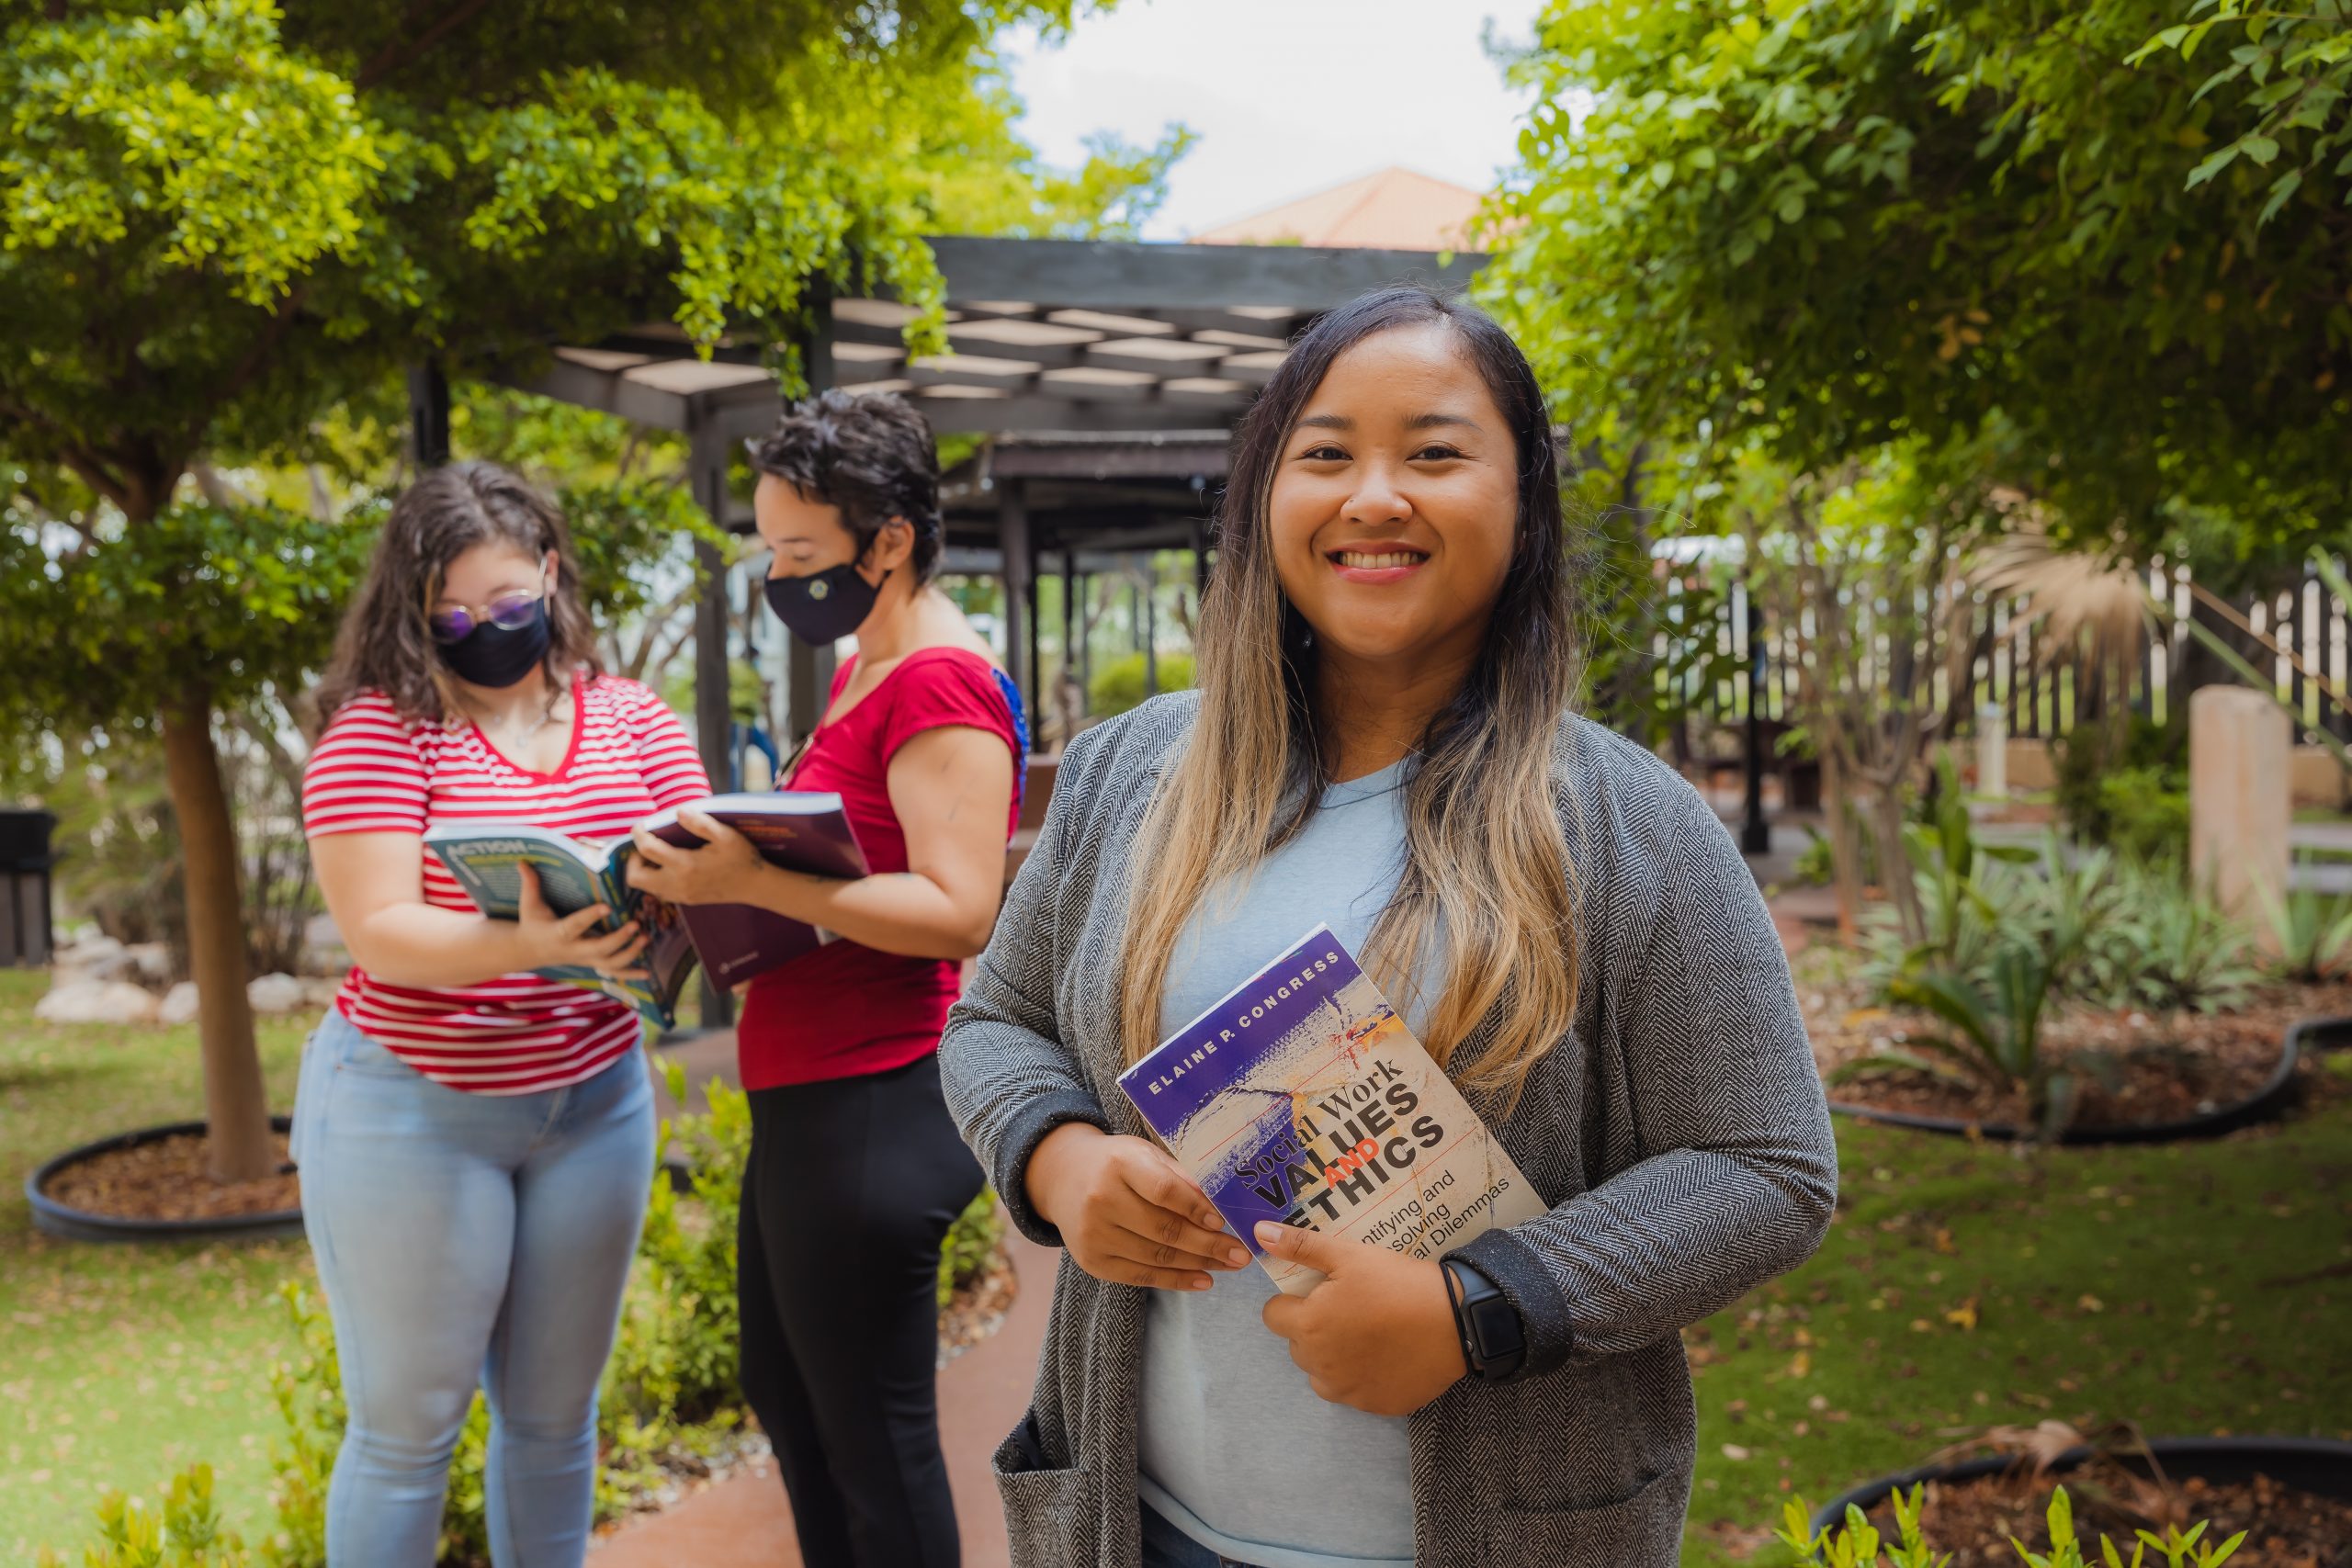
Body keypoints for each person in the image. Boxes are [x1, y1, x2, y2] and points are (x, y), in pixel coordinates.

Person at [937, 287, 1839, 1568]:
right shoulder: (1129, 774)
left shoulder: (1629, 821)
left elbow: (1766, 1166)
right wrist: (1058, 1158)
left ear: (1523, 501)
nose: (1373, 496)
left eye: (1433, 452)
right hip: (1141, 1522)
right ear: (1262, 501)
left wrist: (1479, 1302)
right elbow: (996, 1022)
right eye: (1324, 453)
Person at [624, 389, 1027, 1568]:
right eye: (771, 549)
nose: (781, 574)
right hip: (811, 1093)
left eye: (802, 553)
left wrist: (755, 878)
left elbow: (960, 911)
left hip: (874, 1099)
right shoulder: (869, 665)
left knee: (872, 1441)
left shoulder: (938, 679)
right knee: (796, 1403)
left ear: (888, 538)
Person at [296, 461, 710, 1567]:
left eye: (511, 604)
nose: (487, 629)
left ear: (552, 574)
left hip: (595, 1104)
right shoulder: (381, 731)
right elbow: (378, 928)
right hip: (412, 1112)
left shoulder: (629, 717)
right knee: (406, 1435)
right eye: (457, 614)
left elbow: (707, 852)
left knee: (552, 1423)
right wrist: (527, 943)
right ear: (414, 611)